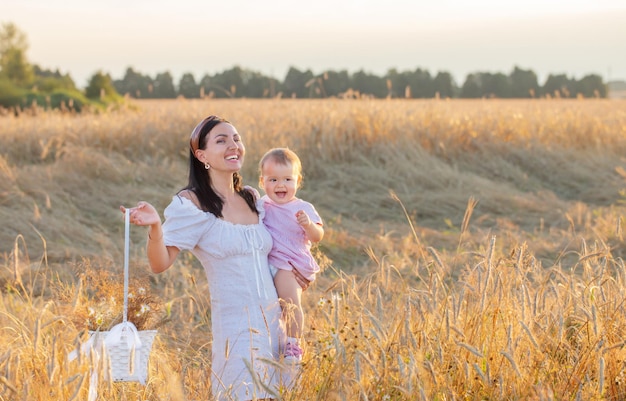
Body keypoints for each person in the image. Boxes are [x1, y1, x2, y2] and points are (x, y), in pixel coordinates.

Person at [120, 116, 290, 400]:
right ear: (202, 155)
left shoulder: (251, 197)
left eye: (236, 138)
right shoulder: (192, 204)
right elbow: (159, 263)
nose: (233, 145)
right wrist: (155, 227)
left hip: (277, 324)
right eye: (221, 141)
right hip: (237, 331)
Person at [258, 148, 324, 363]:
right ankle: (272, 341)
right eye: (273, 179)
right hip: (267, 262)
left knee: (290, 303)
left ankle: (294, 344)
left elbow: (318, 236)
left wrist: (309, 225)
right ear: (262, 181)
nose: (280, 185)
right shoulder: (262, 205)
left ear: (298, 181)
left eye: (288, 179)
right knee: (272, 310)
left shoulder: (303, 208)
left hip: (289, 264)